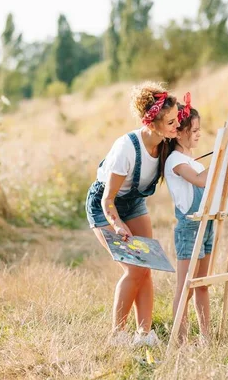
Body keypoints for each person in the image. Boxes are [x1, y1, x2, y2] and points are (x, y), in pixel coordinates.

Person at [85, 81, 180, 346]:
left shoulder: (166, 142)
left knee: (146, 267)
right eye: (171, 122)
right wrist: (117, 226)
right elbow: (108, 199)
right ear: (153, 124)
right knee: (135, 269)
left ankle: (144, 334)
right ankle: (117, 335)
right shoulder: (126, 148)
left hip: (134, 204)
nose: (176, 126)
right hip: (106, 206)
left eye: (177, 119)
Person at [165, 93, 228, 344]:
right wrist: (224, 159)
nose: (198, 134)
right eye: (194, 130)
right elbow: (203, 181)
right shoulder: (175, 161)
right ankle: (180, 342)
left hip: (207, 224)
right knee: (185, 288)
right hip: (190, 228)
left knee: (202, 284)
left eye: (199, 130)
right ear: (179, 133)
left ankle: (206, 338)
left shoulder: (190, 160)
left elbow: (216, 185)